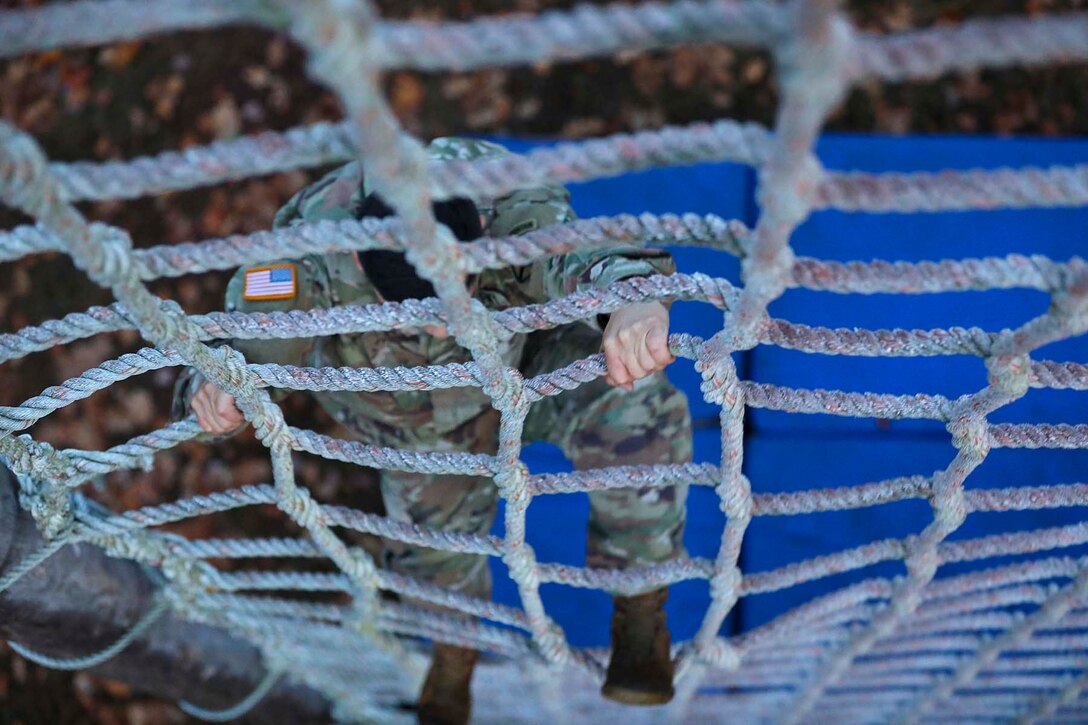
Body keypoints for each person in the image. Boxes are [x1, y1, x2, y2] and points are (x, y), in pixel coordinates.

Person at [175, 138, 692, 723]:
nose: (445, 330)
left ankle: (640, 598)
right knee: (435, 565)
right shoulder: (310, 252)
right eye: (424, 314)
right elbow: (240, 346)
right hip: (409, 427)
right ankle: (453, 654)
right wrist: (215, 392)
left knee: (642, 410)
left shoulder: (511, 204)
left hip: (523, 373)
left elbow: (588, 255)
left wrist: (634, 304)